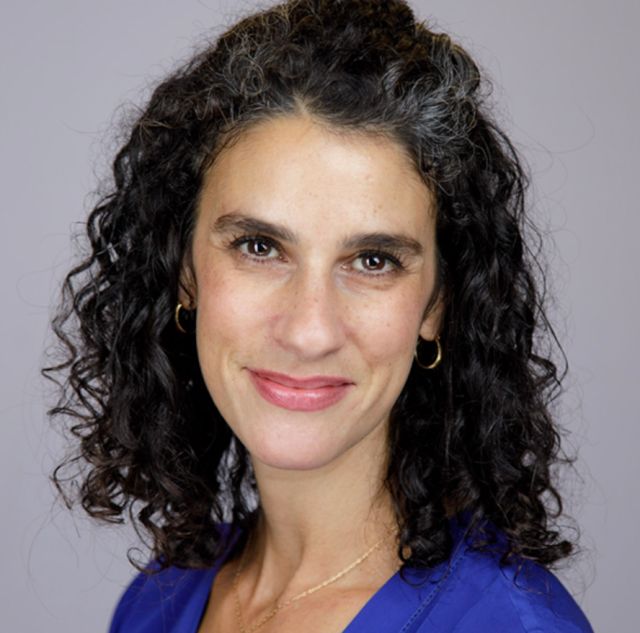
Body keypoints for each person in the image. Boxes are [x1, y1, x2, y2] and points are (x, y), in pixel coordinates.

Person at [45, 0, 593, 631]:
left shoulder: (509, 625)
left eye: (374, 260)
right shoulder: (156, 602)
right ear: (185, 275)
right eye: (259, 247)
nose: (309, 330)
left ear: (438, 305)